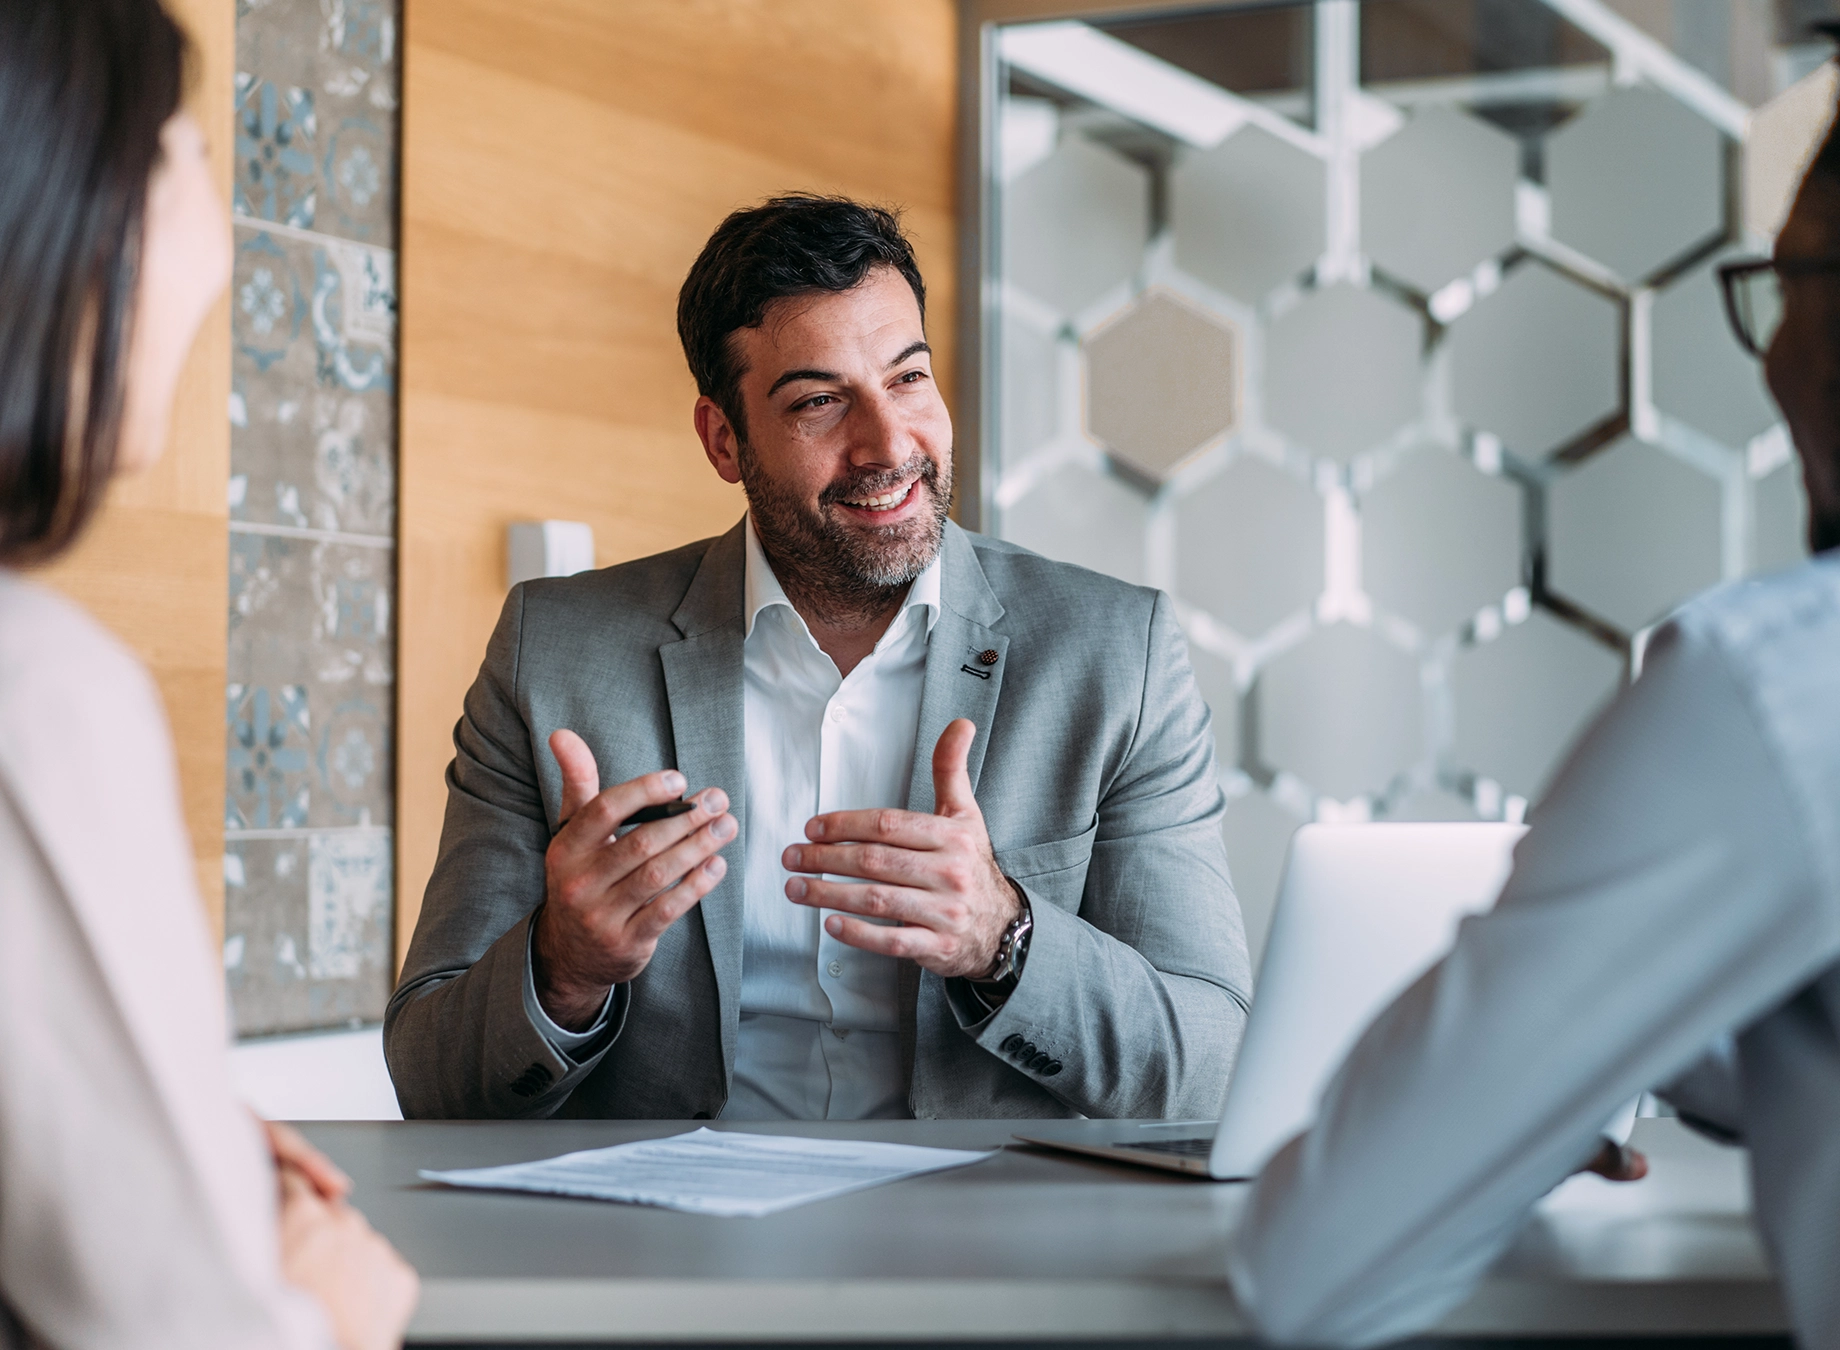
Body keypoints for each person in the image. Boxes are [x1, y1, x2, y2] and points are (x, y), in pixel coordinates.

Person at [1232, 3, 1840, 1347]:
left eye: (1786, 293)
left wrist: (1514, 1086)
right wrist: (1627, 1020)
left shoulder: (1791, 682)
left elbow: (1317, 1267)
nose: (1764, 356)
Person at [386, 195, 1250, 1122]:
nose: (888, 445)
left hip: (975, 1240)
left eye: (908, 379)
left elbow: (1208, 1066)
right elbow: (433, 1079)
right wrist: (562, 968)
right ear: (724, 440)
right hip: (669, 1244)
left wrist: (1005, 937)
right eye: (818, 402)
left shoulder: (1117, 654)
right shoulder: (554, 652)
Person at [0, 2, 417, 1347]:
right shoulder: (40, 697)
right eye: (187, 155)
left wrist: (148, 1127)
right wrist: (317, 1307)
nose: (223, 249)